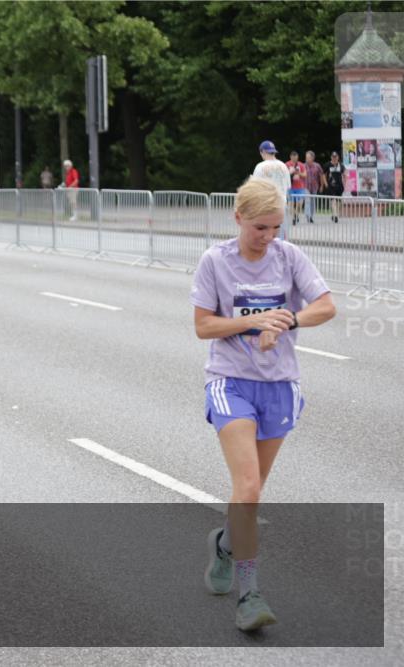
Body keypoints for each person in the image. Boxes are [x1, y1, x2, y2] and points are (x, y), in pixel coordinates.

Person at [191, 177, 335, 631]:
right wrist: (252, 320)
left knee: (248, 496)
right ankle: (250, 595)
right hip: (231, 382)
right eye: (260, 228)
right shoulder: (215, 261)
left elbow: (326, 306)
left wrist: (289, 318)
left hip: (279, 386)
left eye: (275, 227)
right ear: (238, 219)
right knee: (248, 489)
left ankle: (225, 544)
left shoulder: (288, 256)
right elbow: (203, 327)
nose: (268, 237)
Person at [251, 141, 291, 209]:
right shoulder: (284, 166)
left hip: (265, 205)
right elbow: (288, 186)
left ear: (263, 151)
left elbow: (254, 187)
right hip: (281, 205)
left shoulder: (260, 166)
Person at [302, 151, 325, 224]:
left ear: (312, 158)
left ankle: (311, 216)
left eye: (308, 157)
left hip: (314, 187)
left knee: (312, 202)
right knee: (307, 201)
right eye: (306, 157)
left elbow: (321, 175)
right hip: (305, 186)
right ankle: (308, 216)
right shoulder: (303, 166)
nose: (307, 159)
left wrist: (321, 185)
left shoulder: (317, 166)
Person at [285, 151, 307, 225]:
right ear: (290, 157)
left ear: (297, 157)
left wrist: (298, 173)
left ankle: (296, 214)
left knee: (299, 203)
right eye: (293, 157)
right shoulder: (287, 164)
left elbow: (305, 175)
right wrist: (290, 172)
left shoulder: (301, 164)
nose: (294, 158)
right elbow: (284, 174)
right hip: (290, 187)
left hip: (300, 187)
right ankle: (294, 217)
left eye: (295, 156)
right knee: (291, 203)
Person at [326, 151, 344, 223]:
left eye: (336, 157)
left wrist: (345, 183)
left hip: (339, 186)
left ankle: (334, 214)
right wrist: (325, 183)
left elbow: (345, 174)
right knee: (333, 200)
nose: (334, 158)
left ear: (338, 157)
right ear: (331, 157)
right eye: (333, 157)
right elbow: (323, 174)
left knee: (339, 202)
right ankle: (335, 215)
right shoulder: (327, 165)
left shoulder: (341, 165)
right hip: (331, 186)